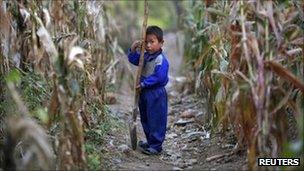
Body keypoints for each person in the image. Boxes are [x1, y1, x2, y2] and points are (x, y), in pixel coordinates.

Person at [127, 25, 169, 155]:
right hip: (144, 93)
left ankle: (156, 145)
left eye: (152, 42)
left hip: (155, 93)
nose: (149, 45)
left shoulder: (160, 59)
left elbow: (159, 77)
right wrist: (133, 48)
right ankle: (150, 141)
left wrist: (145, 84)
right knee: (145, 117)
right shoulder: (144, 56)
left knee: (156, 118)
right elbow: (134, 60)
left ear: (161, 43)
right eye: (146, 42)